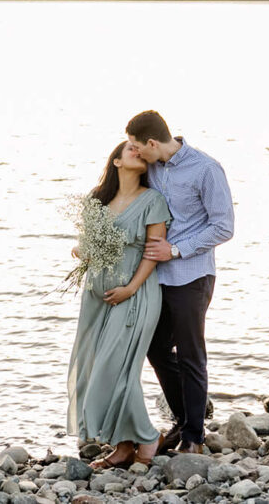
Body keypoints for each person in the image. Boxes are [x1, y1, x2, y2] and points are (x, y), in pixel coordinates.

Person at [126, 109, 235, 455]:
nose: (136, 153)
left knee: (191, 354)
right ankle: (185, 416)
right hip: (157, 278)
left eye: (137, 147)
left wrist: (175, 249)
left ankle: (193, 437)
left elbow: (224, 227)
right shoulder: (152, 167)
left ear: (153, 142)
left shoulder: (206, 169)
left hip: (192, 274)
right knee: (155, 348)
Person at [65, 140, 172, 469]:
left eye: (140, 149)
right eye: (130, 149)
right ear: (115, 161)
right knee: (96, 368)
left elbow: (154, 252)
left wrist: (130, 288)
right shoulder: (96, 200)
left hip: (136, 295)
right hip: (96, 298)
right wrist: (82, 250)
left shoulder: (152, 200)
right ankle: (124, 447)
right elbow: (83, 247)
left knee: (117, 369)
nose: (137, 152)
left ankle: (148, 436)